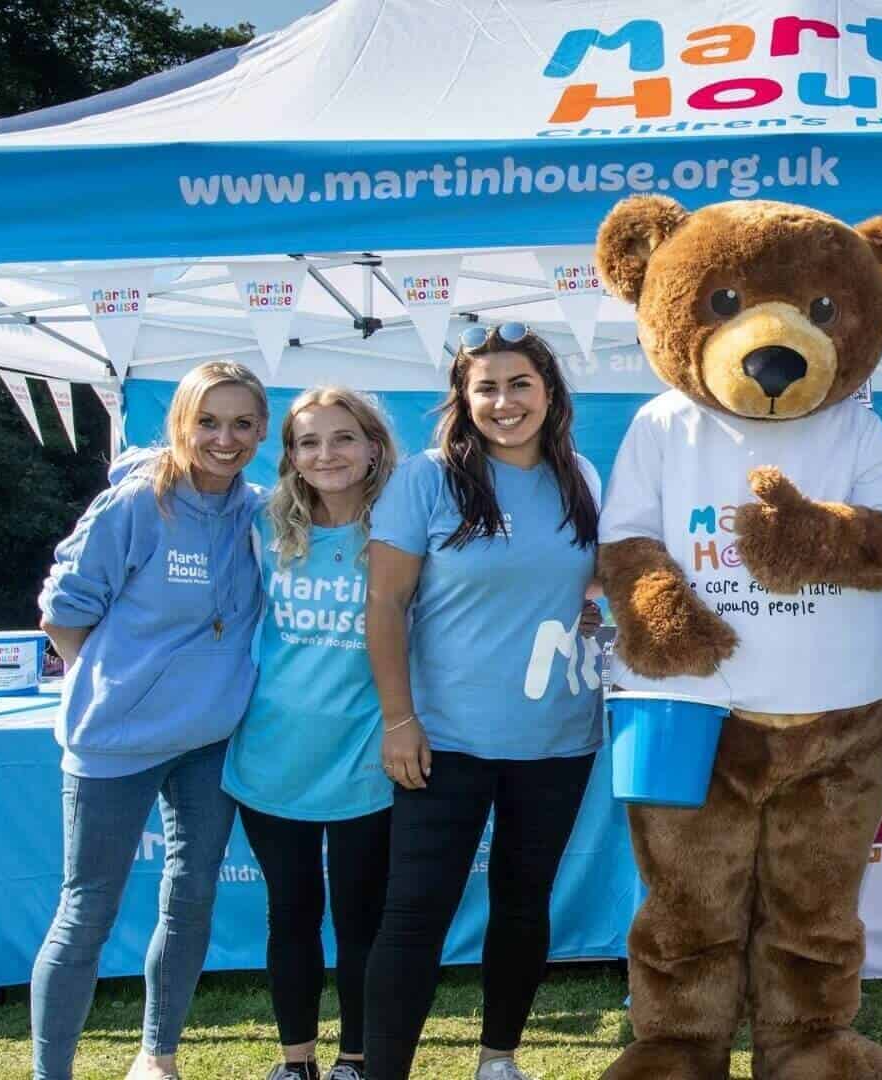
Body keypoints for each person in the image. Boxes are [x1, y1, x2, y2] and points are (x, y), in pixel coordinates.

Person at [360, 323, 603, 1080]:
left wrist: (595, 606)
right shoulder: (426, 480)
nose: (505, 402)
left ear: (550, 392)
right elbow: (385, 605)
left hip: (559, 738)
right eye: (487, 387)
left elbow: (586, 587)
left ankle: (498, 1059)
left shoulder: (582, 478)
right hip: (445, 739)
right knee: (414, 917)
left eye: (520, 384)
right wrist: (400, 720)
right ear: (464, 400)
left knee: (524, 908)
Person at [32, 360, 270, 1080]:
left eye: (241, 424)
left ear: (262, 430)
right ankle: (53, 1073)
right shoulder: (137, 506)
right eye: (208, 421)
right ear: (181, 423)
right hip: (114, 744)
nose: (223, 439)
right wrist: (110, 682)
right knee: (87, 913)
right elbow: (61, 615)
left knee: (191, 897)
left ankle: (156, 1057)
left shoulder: (257, 509)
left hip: (207, 744)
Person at [224, 387, 401, 1080]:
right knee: (290, 916)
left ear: (373, 447)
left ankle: (354, 1059)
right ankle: (295, 1062)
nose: (325, 454)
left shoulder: (402, 527)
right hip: (272, 758)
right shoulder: (262, 524)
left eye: (342, 437)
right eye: (307, 441)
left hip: (366, 760)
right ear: (290, 457)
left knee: (362, 923)